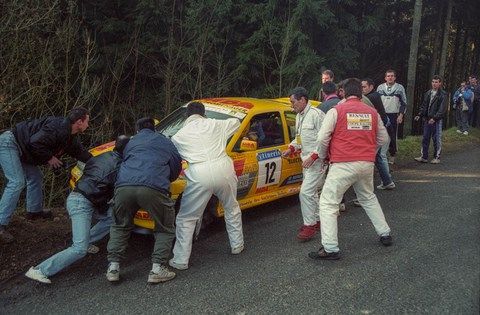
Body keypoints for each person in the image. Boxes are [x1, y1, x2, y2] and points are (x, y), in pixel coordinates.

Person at [24, 135, 130, 284]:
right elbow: (98, 193)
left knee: (113, 217)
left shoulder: (102, 155)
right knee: (79, 249)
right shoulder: (119, 167)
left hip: (78, 197)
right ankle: (40, 270)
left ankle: (88, 240)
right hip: (82, 204)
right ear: (128, 150)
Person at [309, 78, 392, 260]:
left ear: (343, 92)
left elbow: (322, 138)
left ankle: (330, 248)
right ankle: (385, 233)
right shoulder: (372, 112)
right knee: (368, 197)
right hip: (366, 164)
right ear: (361, 93)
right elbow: (384, 139)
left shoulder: (336, 111)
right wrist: (369, 150)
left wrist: (322, 156)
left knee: (328, 203)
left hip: (342, 164)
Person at [169, 102, 244, 270]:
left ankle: (180, 260)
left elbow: (175, 155)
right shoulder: (216, 124)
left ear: (187, 116)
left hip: (198, 172)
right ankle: (237, 245)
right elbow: (237, 121)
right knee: (231, 207)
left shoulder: (178, 136)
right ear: (203, 114)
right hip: (223, 167)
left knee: (187, 218)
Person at [106, 118, 182, 284]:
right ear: (154, 128)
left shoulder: (130, 142)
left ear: (137, 129)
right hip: (154, 188)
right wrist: (163, 178)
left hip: (124, 187)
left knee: (120, 225)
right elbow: (176, 166)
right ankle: (157, 269)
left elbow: (119, 160)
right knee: (164, 227)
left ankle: (113, 268)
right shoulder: (165, 141)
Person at [0, 108, 91, 243]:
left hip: (24, 149)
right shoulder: (57, 128)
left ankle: (34, 212)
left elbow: (82, 154)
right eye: (87, 121)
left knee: (36, 177)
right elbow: (34, 142)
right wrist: (50, 158)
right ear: (79, 122)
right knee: (17, 182)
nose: (88, 125)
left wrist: (101, 162)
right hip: (10, 143)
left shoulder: (69, 137)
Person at [282, 87, 326, 242]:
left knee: (305, 192)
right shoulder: (299, 116)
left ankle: (309, 226)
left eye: (293, 102)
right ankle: (318, 221)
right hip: (306, 161)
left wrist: (314, 156)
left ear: (302, 100)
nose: (291, 105)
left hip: (317, 161)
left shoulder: (316, 115)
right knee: (312, 193)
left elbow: (325, 139)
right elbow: (300, 138)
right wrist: (292, 148)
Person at [362, 78, 395, 190]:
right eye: (361, 87)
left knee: (379, 156)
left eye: (364, 87)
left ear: (371, 87)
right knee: (379, 156)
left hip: (379, 130)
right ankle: (387, 181)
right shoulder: (374, 95)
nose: (362, 89)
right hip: (382, 128)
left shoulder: (370, 97)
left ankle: (386, 181)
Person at [414, 75, 447, 164]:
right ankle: (424, 156)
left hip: (436, 120)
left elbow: (442, 109)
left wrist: (435, 118)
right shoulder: (428, 93)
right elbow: (424, 106)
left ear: (440, 83)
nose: (434, 84)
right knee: (425, 138)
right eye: (433, 82)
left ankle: (437, 157)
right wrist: (419, 115)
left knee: (436, 139)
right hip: (427, 119)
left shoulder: (443, 94)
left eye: (436, 82)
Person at [376, 70, 407, 164]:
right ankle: (380, 154)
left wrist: (401, 115)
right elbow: (376, 102)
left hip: (394, 115)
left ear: (395, 77)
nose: (390, 77)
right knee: (380, 134)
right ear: (385, 78)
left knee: (392, 135)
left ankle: (392, 154)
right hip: (382, 115)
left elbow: (404, 103)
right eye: (388, 76)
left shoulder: (399, 88)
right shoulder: (380, 87)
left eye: (392, 76)